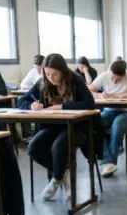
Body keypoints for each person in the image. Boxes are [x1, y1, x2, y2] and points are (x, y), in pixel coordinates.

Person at [18, 54, 95, 200]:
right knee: (33, 148)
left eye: (55, 74)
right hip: (52, 126)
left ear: (63, 71)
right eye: (47, 74)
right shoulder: (43, 82)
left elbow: (89, 104)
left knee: (58, 146)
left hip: (76, 127)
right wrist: (31, 105)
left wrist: (62, 106)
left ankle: (55, 180)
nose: (51, 78)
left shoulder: (75, 81)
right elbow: (22, 100)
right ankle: (62, 174)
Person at [89, 60, 127, 177]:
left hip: (126, 113)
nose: (115, 81)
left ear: (124, 75)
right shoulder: (104, 76)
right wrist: (101, 95)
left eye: (118, 79)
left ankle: (110, 162)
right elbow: (89, 90)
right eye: (113, 78)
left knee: (117, 125)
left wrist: (125, 95)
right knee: (95, 124)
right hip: (109, 111)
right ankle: (107, 160)